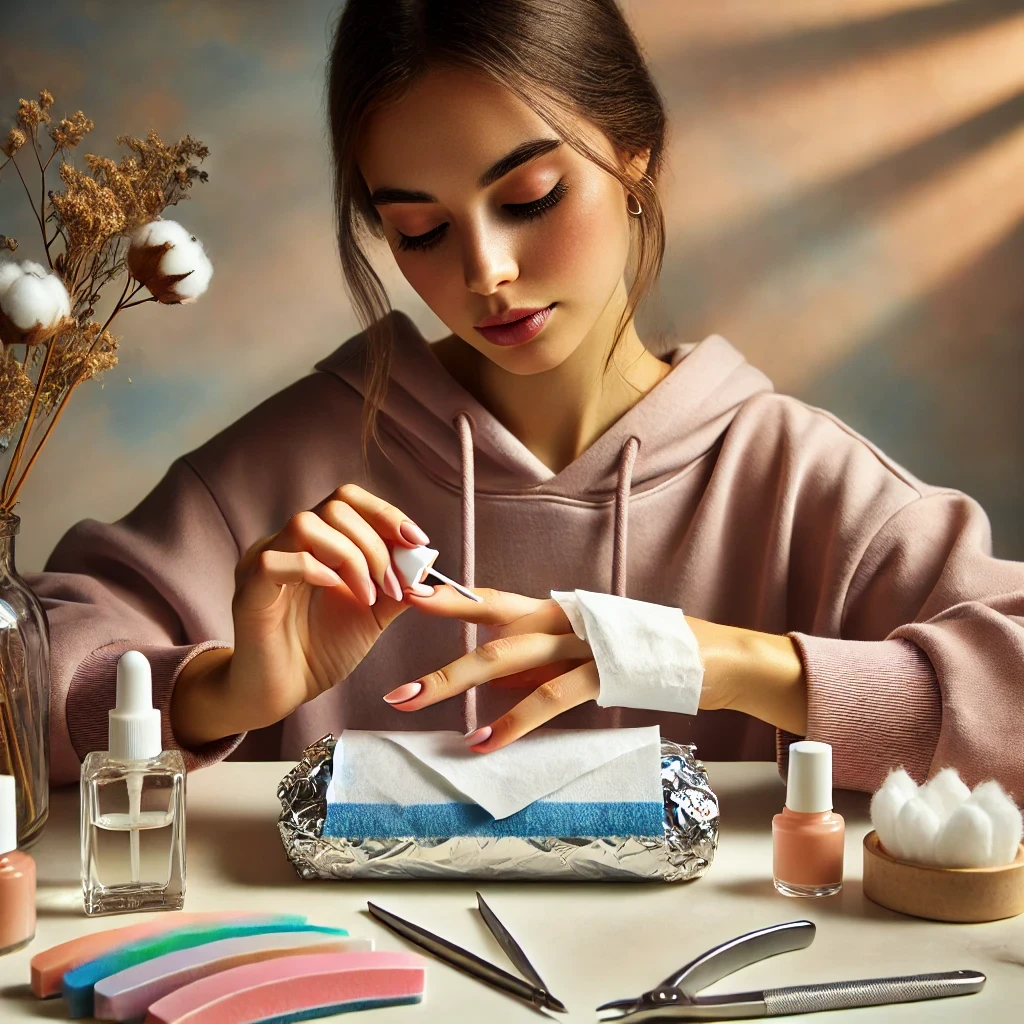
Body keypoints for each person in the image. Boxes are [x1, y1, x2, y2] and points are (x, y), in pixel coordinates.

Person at [30, 0, 1024, 797]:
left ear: (634, 153)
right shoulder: (292, 470)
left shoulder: (796, 478)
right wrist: (215, 693)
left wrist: (707, 661)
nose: (486, 271)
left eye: (530, 198)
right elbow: (29, 674)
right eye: (419, 230)